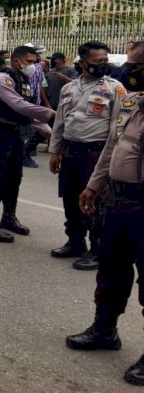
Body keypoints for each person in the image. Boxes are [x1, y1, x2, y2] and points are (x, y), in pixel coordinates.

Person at [65, 41, 144, 386]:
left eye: (136, 65)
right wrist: (93, 186)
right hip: (117, 200)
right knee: (111, 267)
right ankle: (104, 330)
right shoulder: (131, 102)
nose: (128, 71)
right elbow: (112, 147)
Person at [49, 41, 125, 269]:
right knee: (71, 198)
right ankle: (75, 243)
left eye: (105, 60)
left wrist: (110, 160)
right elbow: (60, 121)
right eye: (97, 61)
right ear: (82, 63)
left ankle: (97, 249)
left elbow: (116, 128)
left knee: (94, 202)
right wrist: (55, 150)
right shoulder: (69, 88)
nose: (103, 65)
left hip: (96, 153)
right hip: (71, 151)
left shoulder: (115, 88)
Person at [0, 45, 55, 242]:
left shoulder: (23, 80)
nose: (33, 65)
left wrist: (49, 132)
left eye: (35, 62)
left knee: (14, 177)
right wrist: (49, 113)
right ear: (16, 61)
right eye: (29, 62)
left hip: (15, 134)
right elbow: (19, 105)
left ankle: (8, 218)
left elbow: (24, 114)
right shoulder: (2, 79)